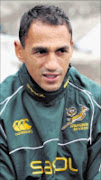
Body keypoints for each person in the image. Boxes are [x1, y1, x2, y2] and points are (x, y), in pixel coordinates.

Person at [0, 5, 101, 180]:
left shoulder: (95, 103)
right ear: (19, 51)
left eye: (61, 51)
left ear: (71, 48)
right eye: (41, 51)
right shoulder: (4, 109)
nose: (52, 64)